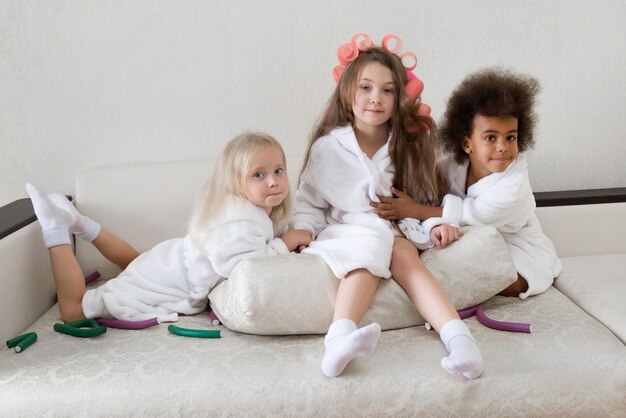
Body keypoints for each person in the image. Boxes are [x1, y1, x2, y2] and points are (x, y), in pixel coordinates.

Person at [291, 34, 484, 379]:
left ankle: (460, 341)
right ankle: (338, 341)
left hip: (393, 229)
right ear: (348, 92)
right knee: (368, 248)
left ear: (399, 98)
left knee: (405, 256)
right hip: (347, 229)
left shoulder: (407, 147)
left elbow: (421, 203)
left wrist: (433, 224)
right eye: (365, 87)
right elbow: (309, 200)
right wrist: (303, 231)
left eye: (388, 90)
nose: (375, 99)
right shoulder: (327, 149)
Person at [26, 132, 311, 323]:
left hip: (170, 260)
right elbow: (241, 267)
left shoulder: (244, 210)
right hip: (174, 280)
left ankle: (79, 222)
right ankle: (55, 229)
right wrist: (284, 243)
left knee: (135, 263)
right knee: (74, 310)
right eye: (258, 175)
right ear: (236, 183)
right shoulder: (241, 221)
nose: (273, 181)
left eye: (278, 170)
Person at [372, 68, 562, 298]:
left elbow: (471, 214)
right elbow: (429, 169)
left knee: (489, 273)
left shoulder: (514, 187)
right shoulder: (455, 163)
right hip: (465, 237)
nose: (502, 146)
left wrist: (413, 209)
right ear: (466, 144)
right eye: (490, 138)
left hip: (517, 249)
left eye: (510, 137)